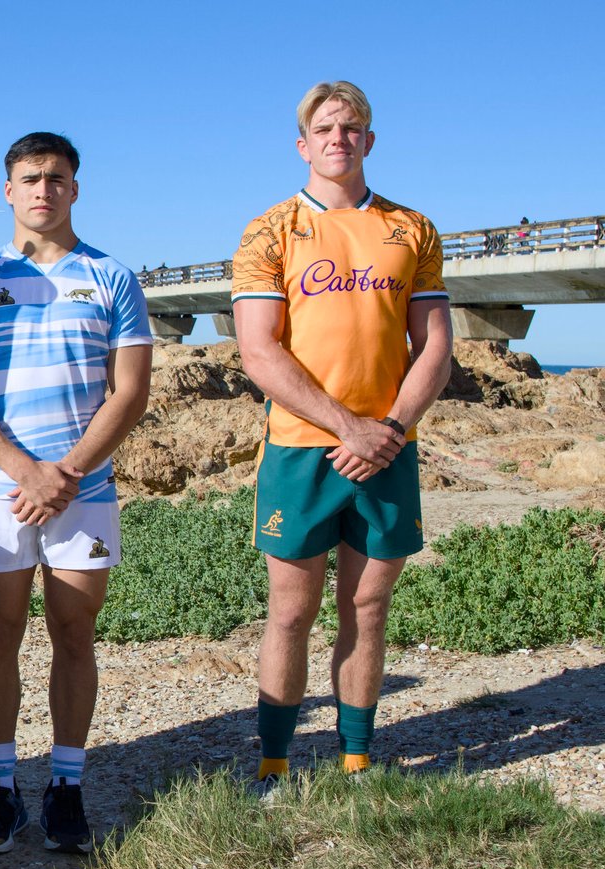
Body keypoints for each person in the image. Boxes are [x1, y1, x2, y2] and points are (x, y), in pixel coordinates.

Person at [0, 132, 153, 855]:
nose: (43, 189)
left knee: (74, 632)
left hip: (84, 490)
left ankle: (66, 785)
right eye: (30, 178)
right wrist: (26, 472)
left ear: (74, 189)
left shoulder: (112, 277)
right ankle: (0, 788)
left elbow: (130, 393)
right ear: (8, 191)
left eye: (56, 178)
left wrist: (65, 474)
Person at [231, 81, 452, 790]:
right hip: (303, 449)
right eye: (324, 129)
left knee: (368, 606)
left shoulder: (412, 228)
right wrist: (349, 427)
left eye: (351, 127)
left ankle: (356, 761)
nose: (338, 138)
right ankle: (273, 766)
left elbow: (435, 347)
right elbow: (259, 351)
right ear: (303, 144)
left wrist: (388, 429)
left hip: (388, 449)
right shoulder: (269, 230)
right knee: (291, 611)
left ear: (369, 140)